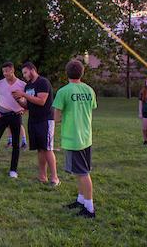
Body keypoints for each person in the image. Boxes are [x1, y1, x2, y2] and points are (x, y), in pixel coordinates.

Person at [53, 59, 97, 219]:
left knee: (83, 173)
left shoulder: (63, 91)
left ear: (67, 73)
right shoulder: (89, 90)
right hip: (86, 137)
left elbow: (56, 118)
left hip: (73, 138)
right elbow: (91, 108)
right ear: (82, 73)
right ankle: (81, 200)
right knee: (79, 172)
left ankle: (90, 208)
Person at [12, 61, 59, 186]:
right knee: (40, 149)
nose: (24, 75)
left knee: (47, 148)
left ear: (32, 70)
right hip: (33, 120)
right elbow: (28, 105)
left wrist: (23, 94)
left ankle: (55, 178)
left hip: (45, 120)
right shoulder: (28, 86)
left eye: (25, 72)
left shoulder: (43, 82)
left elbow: (41, 101)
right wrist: (19, 101)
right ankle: (42, 177)